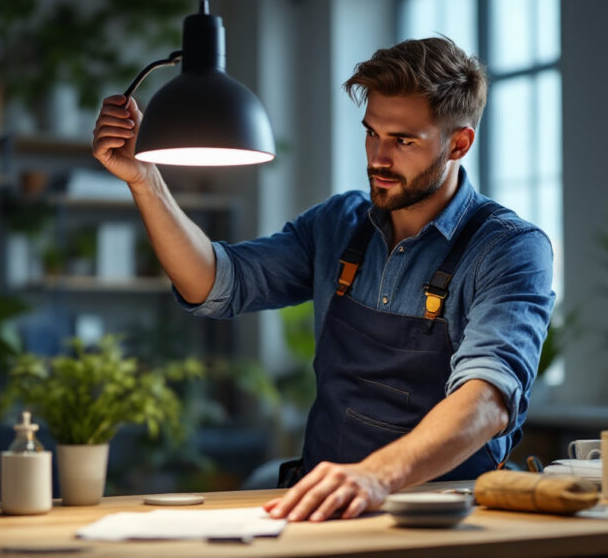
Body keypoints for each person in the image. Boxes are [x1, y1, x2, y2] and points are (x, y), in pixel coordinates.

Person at [92, 36, 554, 522]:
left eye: (403, 141)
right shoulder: (338, 224)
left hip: (441, 521)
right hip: (325, 509)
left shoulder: (509, 249)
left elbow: (487, 398)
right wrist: (145, 180)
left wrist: (375, 476)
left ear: (459, 143)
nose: (378, 157)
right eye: (372, 133)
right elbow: (214, 283)